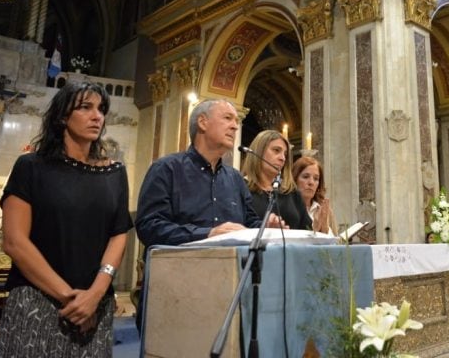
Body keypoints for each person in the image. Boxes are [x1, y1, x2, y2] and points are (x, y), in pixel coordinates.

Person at [0, 82, 132, 356]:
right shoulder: (31, 167)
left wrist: (95, 294)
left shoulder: (114, 173)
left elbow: (119, 233)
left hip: (95, 306)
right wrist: (72, 299)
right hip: (37, 301)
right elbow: (14, 241)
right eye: (86, 107)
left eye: (101, 109)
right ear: (62, 116)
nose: (97, 116)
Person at [136, 100, 281, 248]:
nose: (235, 126)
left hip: (231, 267)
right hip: (181, 266)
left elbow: (248, 223)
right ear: (202, 122)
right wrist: (207, 234)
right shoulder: (166, 169)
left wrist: (266, 228)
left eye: (236, 121)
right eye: (227, 118)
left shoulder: (235, 178)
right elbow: (149, 226)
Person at [242, 129, 311, 230]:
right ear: (259, 151)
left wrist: (319, 227)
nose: (282, 158)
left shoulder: (292, 192)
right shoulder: (240, 187)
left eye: (285, 154)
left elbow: (308, 230)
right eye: (276, 150)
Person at [293, 156, 337, 235]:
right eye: (305, 177)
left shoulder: (323, 209)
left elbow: (335, 241)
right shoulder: (288, 208)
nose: (311, 182)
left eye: (316, 179)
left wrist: (325, 229)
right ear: (294, 179)